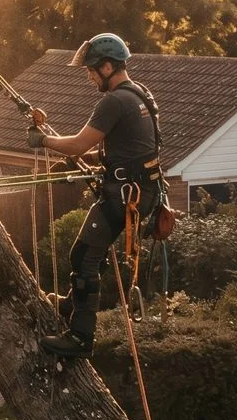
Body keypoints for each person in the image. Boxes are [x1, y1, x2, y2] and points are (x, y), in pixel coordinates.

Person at [24, 33, 164, 358]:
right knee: (87, 256)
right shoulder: (140, 94)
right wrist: (83, 162)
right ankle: (73, 305)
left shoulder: (114, 101)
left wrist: (42, 140)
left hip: (124, 196)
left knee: (83, 257)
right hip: (141, 191)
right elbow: (128, 150)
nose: (88, 77)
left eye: (90, 70)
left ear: (106, 66)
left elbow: (76, 143)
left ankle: (80, 338)